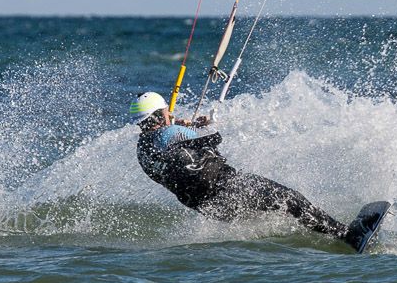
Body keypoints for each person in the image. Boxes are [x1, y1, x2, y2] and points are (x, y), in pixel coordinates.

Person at [130, 91, 378, 251]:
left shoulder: (142, 153)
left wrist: (185, 126)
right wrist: (199, 124)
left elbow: (174, 151)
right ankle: (347, 235)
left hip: (209, 208)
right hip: (229, 188)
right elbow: (212, 138)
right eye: (166, 112)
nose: (171, 113)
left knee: (277, 210)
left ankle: (321, 237)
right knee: (291, 199)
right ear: (158, 117)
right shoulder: (172, 132)